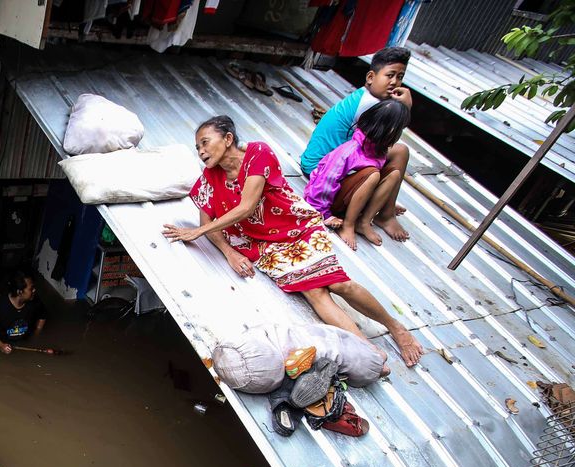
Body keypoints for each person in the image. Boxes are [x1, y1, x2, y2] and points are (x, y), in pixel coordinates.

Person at [161, 115, 424, 368]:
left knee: (338, 283)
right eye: (197, 147)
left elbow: (246, 206)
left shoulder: (257, 154)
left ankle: (396, 328)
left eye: (205, 142)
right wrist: (229, 252)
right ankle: (370, 351)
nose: (201, 151)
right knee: (314, 292)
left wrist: (196, 232)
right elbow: (207, 221)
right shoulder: (210, 178)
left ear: (228, 138)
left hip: (296, 227)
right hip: (265, 245)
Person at [300, 46, 413, 243]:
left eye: (400, 77)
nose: (395, 82)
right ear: (370, 77)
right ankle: (376, 216)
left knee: (400, 152)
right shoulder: (369, 107)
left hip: (339, 163)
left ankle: (385, 211)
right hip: (322, 170)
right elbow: (385, 139)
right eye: (390, 75)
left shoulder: (369, 97)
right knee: (380, 167)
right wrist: (406, 107)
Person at [304, 99, 412, 250]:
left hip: (353, 198)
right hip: (330, 202)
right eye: (398, 130)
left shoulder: (377, 150)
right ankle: (348, 225)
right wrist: (324, 214)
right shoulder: (350, 150)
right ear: (389, 131)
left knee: (393, 175)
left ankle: (364, 222)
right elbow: (324, 182)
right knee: (372, 175)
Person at [0, 271, 49, 354]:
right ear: (20, 292)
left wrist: (36, 334)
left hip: (23, 343)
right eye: (31, 288)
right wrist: (0, 344)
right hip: (3, 342)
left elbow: (42, 316)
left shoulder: (35, 301)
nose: (34, 290)